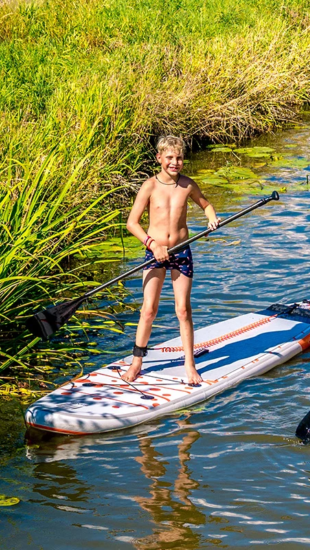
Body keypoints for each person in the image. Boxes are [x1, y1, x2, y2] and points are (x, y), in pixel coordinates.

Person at [123, 135, 219, 385]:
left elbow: (206, 205)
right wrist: (152, 244)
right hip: (154, 253)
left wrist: (212, 218)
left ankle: (190, 365)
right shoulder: (149, 187)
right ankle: (136, 363)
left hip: (181, 252)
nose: (175, 162)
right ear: (159, 159)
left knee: (183, 310)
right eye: (169, 158)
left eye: (179, 158)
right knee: (148, 310)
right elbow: (132, 223)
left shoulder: (188, 185)